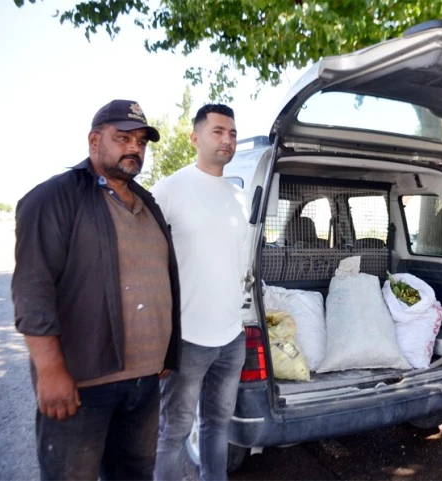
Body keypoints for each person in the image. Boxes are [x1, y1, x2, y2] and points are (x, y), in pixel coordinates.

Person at [12, 99, 182, 481]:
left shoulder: (148, 202)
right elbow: (32, 289)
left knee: (135, 474)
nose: (135, 148)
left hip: (145, 382)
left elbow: (161, 279)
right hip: (84, 385)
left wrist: (166, 352)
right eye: (123, 138)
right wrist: (51, 370)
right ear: (93, 140)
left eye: (141, 141)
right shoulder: (54, 197)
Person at [152, 104, 249, 481]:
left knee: (217, 428)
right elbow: (147, 259)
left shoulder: (238, 196)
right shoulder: (170, 189)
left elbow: (238, 263)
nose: (227, 139)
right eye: (218, 131)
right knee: (173, 433)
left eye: (233, 133)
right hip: (188, 339)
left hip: (232, 337)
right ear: (195, 138)